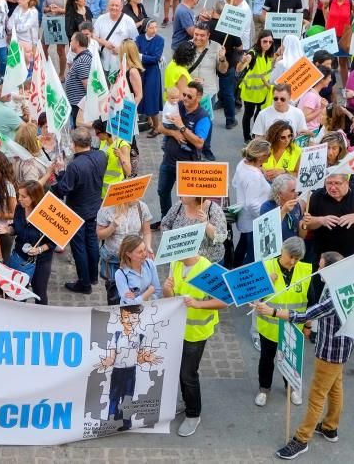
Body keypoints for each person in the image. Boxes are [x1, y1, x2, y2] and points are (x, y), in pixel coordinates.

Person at [265, 251, 352, 459]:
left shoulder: (334, 295)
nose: (318, 269)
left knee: (316, 397)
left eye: (321, 266)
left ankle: (302, 439)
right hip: (342, 348)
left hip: (330, 352)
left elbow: (306, 314)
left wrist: (273, 312)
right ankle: (330, 427)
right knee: (335, 387)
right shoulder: (346, 283)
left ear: (331, 269)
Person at [163, 249, 228, 437]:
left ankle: (193, 414)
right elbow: (171, 297)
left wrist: (198, 304)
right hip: (179, 329)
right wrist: (167, 290)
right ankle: (185, 402)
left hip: (197, 331)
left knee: (188, 373)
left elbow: (224, 301)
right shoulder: (175, 263)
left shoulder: (206, 268)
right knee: (180, 370)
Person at [43, 127, 106, 294]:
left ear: (75, 144)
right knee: (92, 242)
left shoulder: (75, 165)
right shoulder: (101, 156)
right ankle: (93, 276)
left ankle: (84, 283)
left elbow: (63, 189)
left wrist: (59, 174)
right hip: (94, 206)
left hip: (77, 211)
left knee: (79, 248)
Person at [255, 237, 312, 408]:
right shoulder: (266, 267)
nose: (293, 261)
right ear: (282, 250)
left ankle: (291, 388)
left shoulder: (306, 271)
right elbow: (250, 298)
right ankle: (264, 389)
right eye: (290, 256)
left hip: (293, 328)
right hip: (269, 327)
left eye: (297, 258)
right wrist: (266, 284)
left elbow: (311, 302)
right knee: (266, 359)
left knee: (291, 361)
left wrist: (308, 325)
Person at [156, 81, 211, 219]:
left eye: (189, 96)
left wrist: (181, 127)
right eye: (184, 94)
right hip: (168, 161)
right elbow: (160, 127)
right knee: (163, 191)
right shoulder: (177, 105)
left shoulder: (203, 117)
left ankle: (185, 223)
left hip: (187, 165)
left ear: (198, 97)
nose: (185, 98)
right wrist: (174, 133)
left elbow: (199, 143)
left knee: (186, 199)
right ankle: (166, 219)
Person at [303, 173, 354, 258]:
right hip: (325, 257)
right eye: (329, 183)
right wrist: (321, 220)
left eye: (337, 183)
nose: (332, 188)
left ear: (347, 182)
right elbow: (308, 224)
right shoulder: (317, 196)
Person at [233, 139, 272, 266]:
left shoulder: (242, 164)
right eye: (268, 155)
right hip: (254, 222)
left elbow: (234, 183)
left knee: (242, 247)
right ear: (261, 157)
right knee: (251, 258)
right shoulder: (253, 176)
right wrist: (265, 217)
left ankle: (233, 270)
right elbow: (252, 204)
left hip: (244, 217)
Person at [114, 234, 160, 305]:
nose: (144, 254)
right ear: (129, 254)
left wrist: (136, 297)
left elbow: (157, 291)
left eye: (144, 249)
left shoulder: (150, 264)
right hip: (131, 314)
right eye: (140, 252)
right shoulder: (120, 274)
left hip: (150, 308)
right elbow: (130, 304)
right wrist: (148, 292)